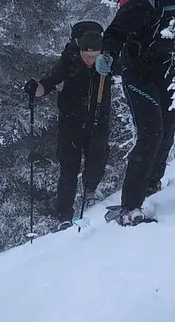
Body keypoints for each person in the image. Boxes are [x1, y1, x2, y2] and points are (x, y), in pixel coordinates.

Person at [99, 0, 175, 226]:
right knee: (151, 131)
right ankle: (131, 207)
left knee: (167, 130)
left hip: (172, 72)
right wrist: (108, 54)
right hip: (138, 71)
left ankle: (152, 184)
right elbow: (116, 30)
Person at [28, 20, 112, 225]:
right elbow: (50, 81)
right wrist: (35, 89)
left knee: (97, 160)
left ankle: (90, 193)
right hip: (71, 121)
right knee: (69, 168)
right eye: (87, 55)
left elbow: (127, 69)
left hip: (98, 120)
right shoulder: (69, 60)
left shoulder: (109, 60)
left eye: (95, 55)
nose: (91, 60)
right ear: (79, 49)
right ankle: (63, 214)